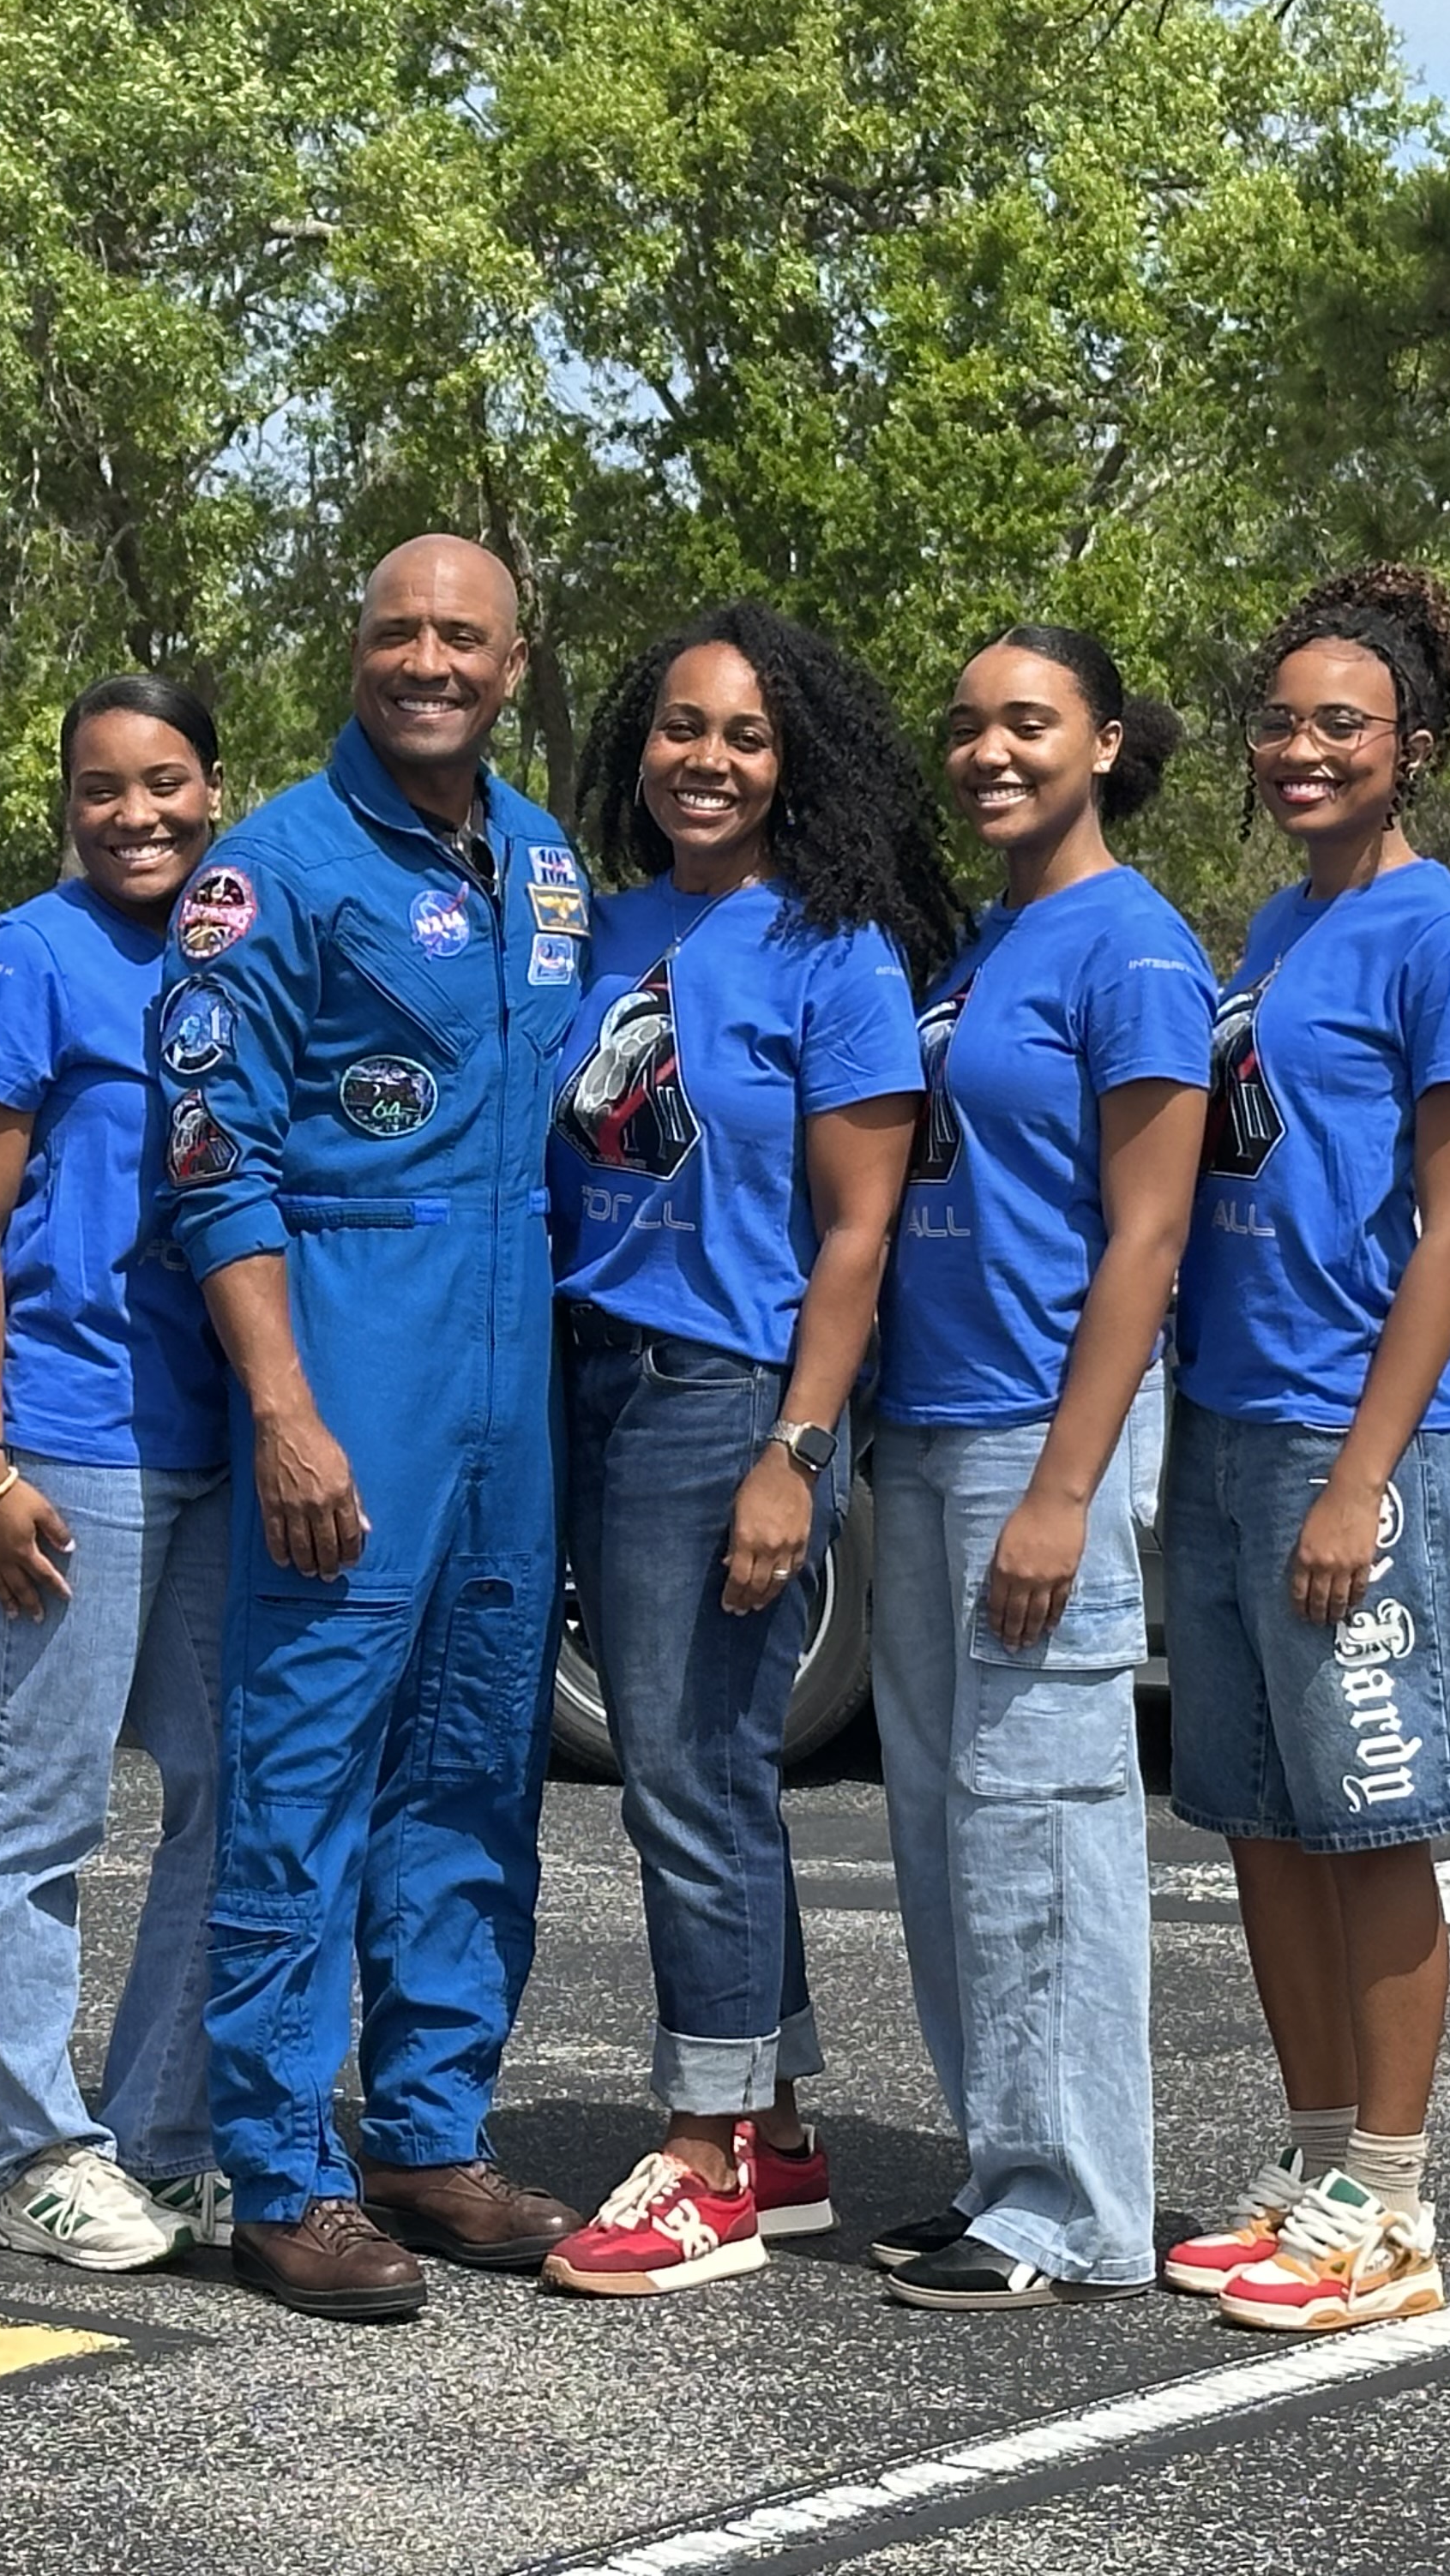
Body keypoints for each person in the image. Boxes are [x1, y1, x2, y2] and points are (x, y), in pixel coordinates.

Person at [153, 533, 591, 2321]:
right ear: (358, 647)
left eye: (463, 635)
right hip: (350, 1366)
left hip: (512, 1381)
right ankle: (278, 2172)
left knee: (480, 1765)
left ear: (510, 657)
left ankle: (426, 2130)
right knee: (306, 1770)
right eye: (401, 629)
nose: (431, 659)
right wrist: (285, 1410)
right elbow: (212, 1158)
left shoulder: (549, 862)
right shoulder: (268, 874)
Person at [530, 603, 950, 2299]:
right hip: (587, 1377)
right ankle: (770, 2127)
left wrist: (796, 1445)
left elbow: (856, 1238)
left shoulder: (834, 951)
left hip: (722, 1391)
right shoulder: (603, 924)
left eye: (746, 737)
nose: (707, 760)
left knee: (688, 1768)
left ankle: (702, 2157)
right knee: (696, 1760)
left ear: (800, 765)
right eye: (682, 727)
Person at [1161, 565, 1450, 2333]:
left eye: (1342, 726)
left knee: (1372, 1822)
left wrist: (1366, 1475)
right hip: (1233, 1424)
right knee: (1263, 1822)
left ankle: (1390, 2203)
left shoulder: (1440, 933)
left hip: (1351, 1442)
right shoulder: (1275, 929)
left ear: (1414, 750)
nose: (1302, 749)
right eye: (1283, 722)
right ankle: (1312, 2168)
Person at [863, 627, 1213, 2312]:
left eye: (1028, 723)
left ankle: (1079, 2207)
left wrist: (1071, 1490)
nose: (989, 751)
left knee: (1046, 1821)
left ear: (1104, 742)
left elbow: (1150, 1238)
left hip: (1035, 1432)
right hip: (928, 1421)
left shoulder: (1130, 947)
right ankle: (1005, 2167)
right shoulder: (989, 939)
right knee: (947, 1831)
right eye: (969, 723)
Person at [0, 676, 236, 2273]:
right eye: (104, 789)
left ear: (212, 786)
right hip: (62, 1432)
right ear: (66, 802)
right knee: (34, 1812)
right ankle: (36, 2152)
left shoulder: (230, 952)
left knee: (226, 1788)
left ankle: (164, 2134)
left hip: (211, 1437)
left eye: (167, 783)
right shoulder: (25, 958)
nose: (138, 817)